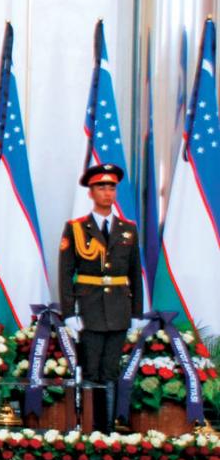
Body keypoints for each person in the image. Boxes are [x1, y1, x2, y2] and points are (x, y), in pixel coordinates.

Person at [57, 162, 145, 428]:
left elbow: (135, 274)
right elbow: (65, 273)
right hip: (90, 309)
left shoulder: (128, 229)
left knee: (110, 371)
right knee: (90, 370)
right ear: (91, 192)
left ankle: (106, 432)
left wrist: (136, 313)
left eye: (112, 188)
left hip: (118, 309)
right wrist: (69, 313)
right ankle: (89, 429)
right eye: (101, 187)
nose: (107, 193)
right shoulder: (76, 228)